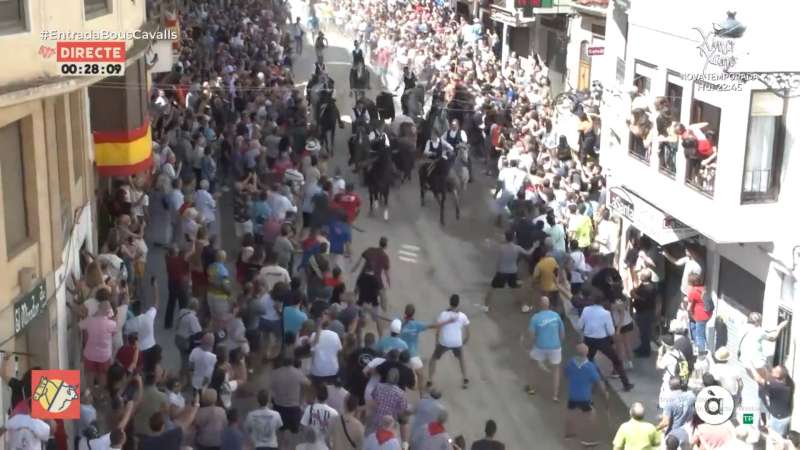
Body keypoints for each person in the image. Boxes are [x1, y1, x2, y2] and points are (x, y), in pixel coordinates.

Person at [578, 288, 634, 391]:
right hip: (602, 340)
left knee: (587, 360)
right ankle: (626, 384)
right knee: (616, 361)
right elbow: (610, 331)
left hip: (588, 339)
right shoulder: (605, 313)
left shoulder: (586, 310)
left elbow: (580, 325)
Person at [563, 343, 608, 447]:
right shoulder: (590, 367)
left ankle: (568, 433)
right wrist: (605, 393)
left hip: (572, 395)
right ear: (587, 353)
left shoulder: (570, 363)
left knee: (570, 413)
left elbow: (566, 374)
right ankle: (588, 439)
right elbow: (599, 383)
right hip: (584, 397)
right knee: (591, 416)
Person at [523, 296, 565, 400]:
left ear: (540, 304)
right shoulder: (556, 316)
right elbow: (562, 333)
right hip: (555, 346)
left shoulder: (535, 318)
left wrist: (531, 344)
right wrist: (559, 343)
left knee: (533, 365)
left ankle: (532, 388)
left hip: (540, 346)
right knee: (556, 370)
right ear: (549, 304)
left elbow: (531, 334)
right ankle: (555, 395)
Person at [485, 230, 536, 311]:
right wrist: (534, 246)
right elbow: (528, 253)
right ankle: (524, 306)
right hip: (512, 272)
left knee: (492, 288)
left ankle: (486, 306)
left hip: (502, 272)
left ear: (506, 237)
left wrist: (489, 243)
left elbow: (494, 253)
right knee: (516, 289)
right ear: (513, 238)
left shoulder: (501, 247)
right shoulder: (517, 248)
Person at [428, 294, 470, 389]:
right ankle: (465, 379)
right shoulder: (462, 316)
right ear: (458, 303)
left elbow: (438, 329)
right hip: (457, 342)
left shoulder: (443, 314)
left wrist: (436, 341)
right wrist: (465, 340)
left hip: (444, 342)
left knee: (433, 359)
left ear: (449, 302)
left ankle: (430, 380)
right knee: (461, 359)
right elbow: (468, 332)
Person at [747, 365, 794, 437]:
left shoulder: (775, 386)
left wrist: (751, 365)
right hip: (775, 412)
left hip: (779, 418)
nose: (772, 369)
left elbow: (759, 379)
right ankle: (765, 427)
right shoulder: (780, 382)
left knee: (776, 437)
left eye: (774, 370)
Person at [739, 312, 790, 378]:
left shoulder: (743, 327)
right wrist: (780, 327)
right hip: (758, 364)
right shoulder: (758, 331)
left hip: (746, 363)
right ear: (757, 322)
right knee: (771, 381)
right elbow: (773, 338)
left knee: (761, 382)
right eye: (760, 322)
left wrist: (775, 328)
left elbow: (765, 330)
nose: (760, 324)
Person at [301, 383, 340, 447]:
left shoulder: (309, 409)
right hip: (325, 446)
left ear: (316, 396)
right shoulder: (334, 413)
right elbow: (335, 433)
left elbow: (304, 428)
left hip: (310, 445)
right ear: (327, 396)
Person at [631, 269, 659, 357]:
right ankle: (642, 347)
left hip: (645, 313)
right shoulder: (645, 286)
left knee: (645, 333)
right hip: (643, 312)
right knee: (643, 332)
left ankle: (645, 351)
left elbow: (644, 300)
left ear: (644, 277)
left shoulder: (649, 288)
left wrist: (634, 295)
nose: (639, 275)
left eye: (641, 274)